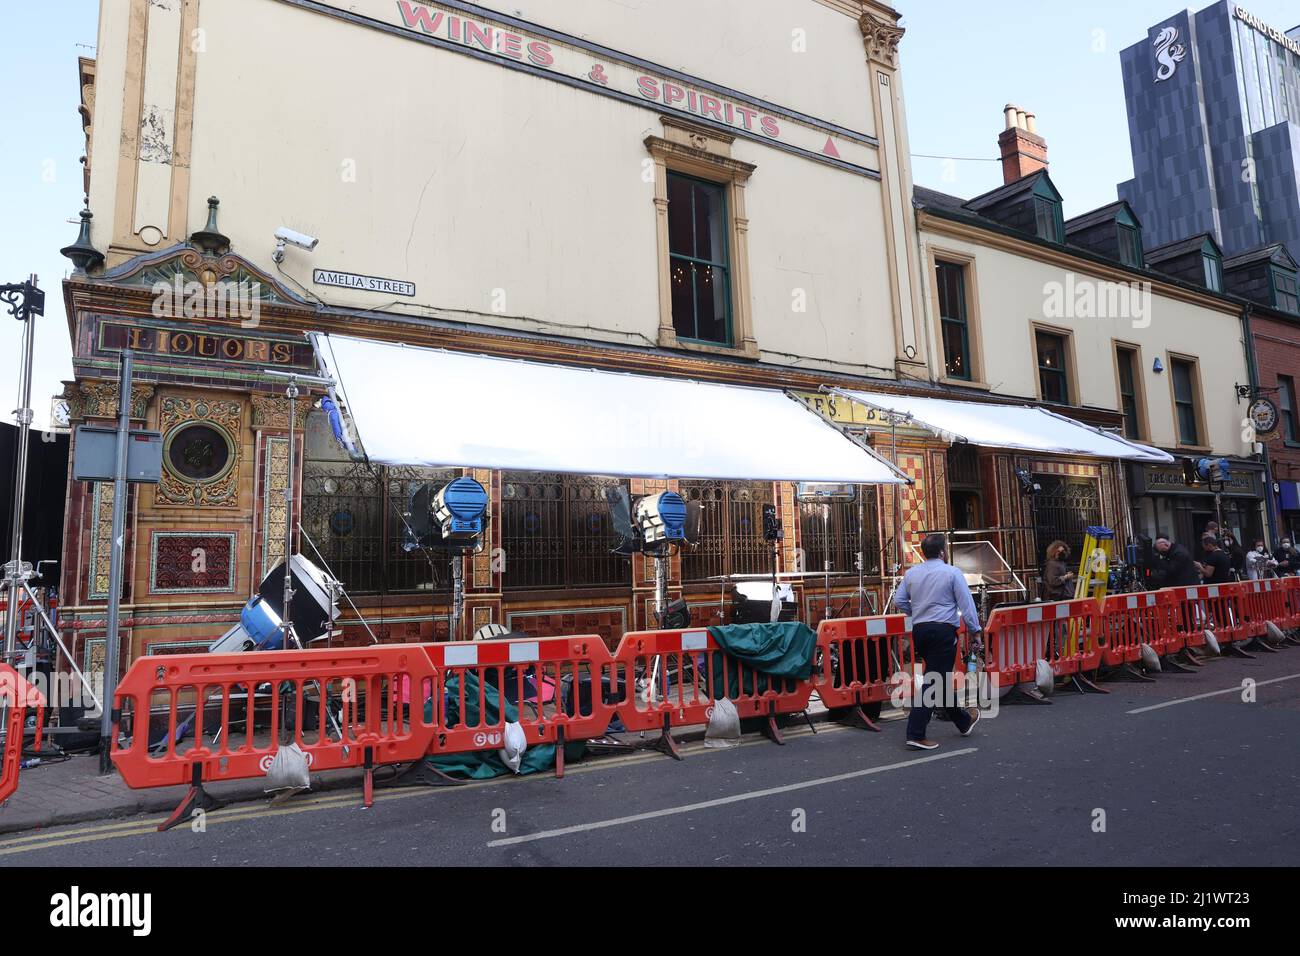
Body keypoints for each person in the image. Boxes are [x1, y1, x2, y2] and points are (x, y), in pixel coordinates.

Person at [894, 534, 981, 751]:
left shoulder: (912, 573)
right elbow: (966, 604)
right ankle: (915, 733)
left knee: (938, 677)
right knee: (934, 681)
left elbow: (899, 600)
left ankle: (963, 721)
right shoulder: (952, 572)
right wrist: (975, 631)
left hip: (921, 630)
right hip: (943, 631)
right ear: (942, 552)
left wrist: (917, 612)